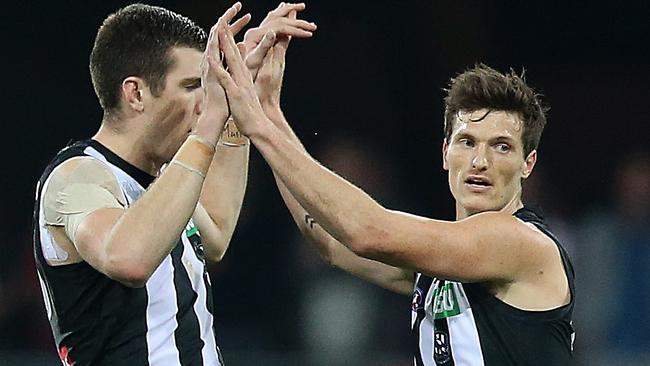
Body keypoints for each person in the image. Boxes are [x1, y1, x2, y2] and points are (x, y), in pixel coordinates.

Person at [211, 26, 575, 365]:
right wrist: (270, 112)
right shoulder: (442, 263)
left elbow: (367, 232)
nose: (480, 161)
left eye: (501, 147)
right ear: (445, 152)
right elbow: (330, 243)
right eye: (467, 142)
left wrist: (258, 126)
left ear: (528, 163)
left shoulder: (520, 242)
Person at [32, 2, 316, 365]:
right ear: (135, 94)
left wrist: (236, 107)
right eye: (191, 86)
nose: (203, 102)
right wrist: (213, 118)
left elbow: (216, 233)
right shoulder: (76, 177)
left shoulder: (165, 179)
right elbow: (128, 258)